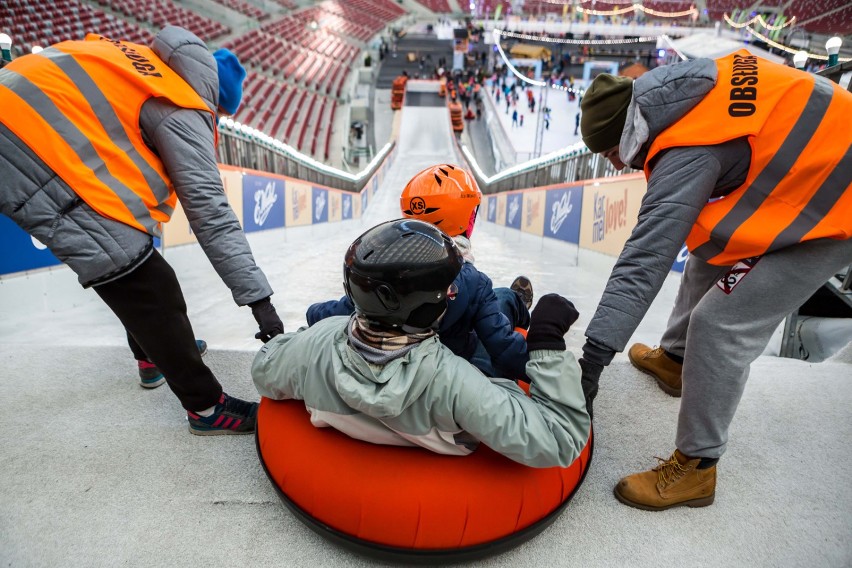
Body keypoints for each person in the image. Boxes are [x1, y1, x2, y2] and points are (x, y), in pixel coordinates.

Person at [577, 51, 852, 509]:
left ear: (627, 134)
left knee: (720, 324)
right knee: (710, 235)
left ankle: (697, 468)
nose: (616, 166)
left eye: (611, 155)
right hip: (811, 167)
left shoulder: (688, 152)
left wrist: (592, 362)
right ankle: (678, 362)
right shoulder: (674, 90)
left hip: (836, 205)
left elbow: (643, 261)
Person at [0, 26, 285, 435]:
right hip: (22, 144)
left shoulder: (140, 63)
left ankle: (152, 357)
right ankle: (206, 408)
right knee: (151, 285)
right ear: (217, 104)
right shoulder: (182, 105)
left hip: (14, 113)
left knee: (135, 258)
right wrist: (262, 306)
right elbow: (212, 213)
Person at [253, 219, 590, 468]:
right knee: (500, 302)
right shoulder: (452, 382)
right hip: (439, 409)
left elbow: (265, 367)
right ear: (419, 306)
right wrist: (547, 344)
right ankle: (517, 301)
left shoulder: (317, 345)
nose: (453, 293)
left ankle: (514, 300)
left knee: (498, 304)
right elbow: (559, 440)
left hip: (334, 350)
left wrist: (304, 337)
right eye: (446, 290)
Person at [307, 164, 533, 383]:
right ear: (467, 218)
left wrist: (312, 312)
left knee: (495, 298)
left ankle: (516, 303)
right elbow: (504, 348)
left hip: (402, 365)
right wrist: (543, 364)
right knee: (502, 297)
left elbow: (341, 310)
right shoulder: (475, 282)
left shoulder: (386, 270)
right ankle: (521, 308)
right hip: (460, 375)